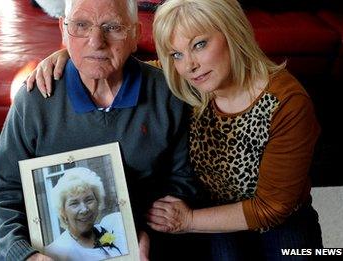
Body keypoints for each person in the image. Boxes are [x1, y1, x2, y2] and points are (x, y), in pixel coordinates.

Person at [27, 0, 323, 259]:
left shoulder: (286, 102)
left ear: (233, 32)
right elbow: (113, 62)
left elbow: (272, 207)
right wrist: (67, 56)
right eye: (176, 54)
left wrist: (188, 220)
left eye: (199, 45)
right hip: (208, 208)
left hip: (275, 217)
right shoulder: (182, 81)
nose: (189, 65)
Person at [0, 0, 198, 260]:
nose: (96, 41)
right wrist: (27, 255)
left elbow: (181, 182)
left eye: (113, 27)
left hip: (142, 242)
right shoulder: (35, 98)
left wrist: (142, 234)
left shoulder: (166, 94)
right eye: (81, 25)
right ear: (64, 31)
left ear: (135, 35)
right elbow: (5, 190)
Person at [45, 167, 128, 260]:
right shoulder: (56, 253)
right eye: (74, 203)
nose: (84, 209)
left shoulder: (111, 228)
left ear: (98, 202)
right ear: (63, 212)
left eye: (89, 200)